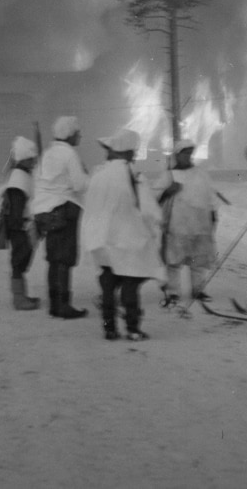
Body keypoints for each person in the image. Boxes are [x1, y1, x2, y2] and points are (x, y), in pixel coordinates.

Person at [80, 128, 164, 341]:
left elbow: (89, 206)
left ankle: (109, 328)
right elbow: (149, 210)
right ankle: (133, 329)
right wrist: (157, 224)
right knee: (130, 284)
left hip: (101, 239)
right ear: (128, 153)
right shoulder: (134, 176)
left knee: (108, 285)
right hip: (128, 239)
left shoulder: (98, 175)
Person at [32, 115, 89, 319]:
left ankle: (54, 302)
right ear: (70, 134)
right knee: (65, 258)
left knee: (54, 258)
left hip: (45, 211)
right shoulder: (69, 154)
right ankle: (63, 305)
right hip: (64, 209)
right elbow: (80, 185)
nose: (80, 136)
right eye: (78, 133)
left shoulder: (48, 153)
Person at [154, 139, 219, 307]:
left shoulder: (201, 173)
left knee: (198, 262)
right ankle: (173, 291)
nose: (188, 156)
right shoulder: (168, 175)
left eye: (190, 152)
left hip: (200, 224)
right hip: (177, 226)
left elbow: (210, 196)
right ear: (177, 155)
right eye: (185, 153)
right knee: (173, 261)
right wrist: (168, 191)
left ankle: (198, 289)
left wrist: (213, 215)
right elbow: (154, 198)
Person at [0, 136, 41, 311]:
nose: (34, 161)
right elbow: (17, 208)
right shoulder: (19, 179)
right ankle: (19, 299)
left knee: (20, 261)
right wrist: (23, 226)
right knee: (19, 261)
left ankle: (21, 296)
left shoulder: (19, 174)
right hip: (19, 228)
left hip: (19, 227)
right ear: (25, 159)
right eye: (32, 159)